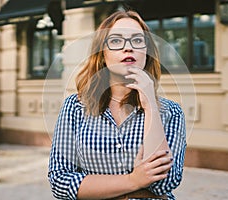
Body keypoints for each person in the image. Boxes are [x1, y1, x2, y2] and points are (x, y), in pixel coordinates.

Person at [48, 10, 186, 200]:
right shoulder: (75, 107)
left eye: (137, 40)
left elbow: (165, 182)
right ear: (102, 54)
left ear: (146, 53)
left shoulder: (170, 111)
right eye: (116, 41)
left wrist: (150, 106)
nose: (128, 48)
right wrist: (134, 181)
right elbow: (61, 182)